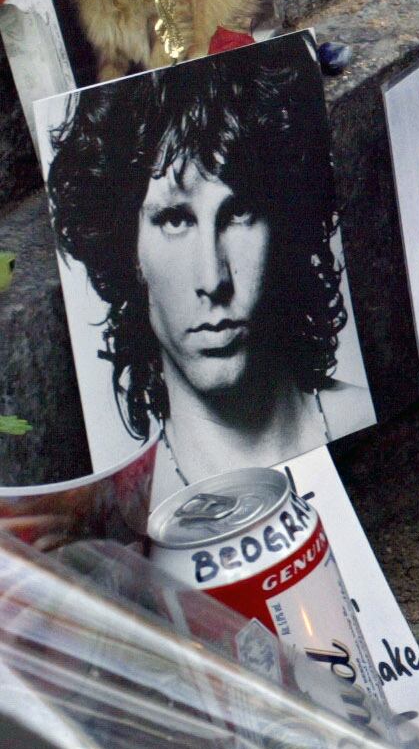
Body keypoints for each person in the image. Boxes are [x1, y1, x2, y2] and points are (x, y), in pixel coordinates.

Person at [48, 47, 365, 487]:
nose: (213, 280)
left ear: (284, 222)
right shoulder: (126, 511)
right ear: (128, 251)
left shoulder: (369, 428)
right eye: (175, 219)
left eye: (238, 212)